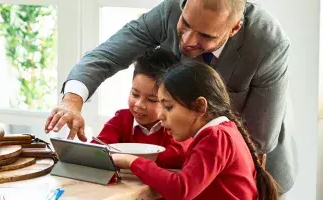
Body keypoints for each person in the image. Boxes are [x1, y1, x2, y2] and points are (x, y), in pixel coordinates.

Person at [45, 0, 297, 196]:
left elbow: (259, 140)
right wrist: (72, 101)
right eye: (185, 24)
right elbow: (107, 55)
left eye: (206, 36)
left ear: (234, 28)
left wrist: (138, 162)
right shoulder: (169, 10)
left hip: (256, 173)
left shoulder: (268, 42)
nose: (187, 42)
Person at [112, 60, 279, 200]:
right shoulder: (222, 131)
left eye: (168, 107)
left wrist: (131, 161)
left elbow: (181, 189)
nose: (160, 115)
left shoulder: (216, 136)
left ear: (200, 107)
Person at [91, 47, 191, 169]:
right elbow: (96, 150)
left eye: (151, 100)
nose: (139, 104)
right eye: (135, 94)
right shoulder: (121, 119)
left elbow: (178, 156)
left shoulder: (175, 124)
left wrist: (130, 160)